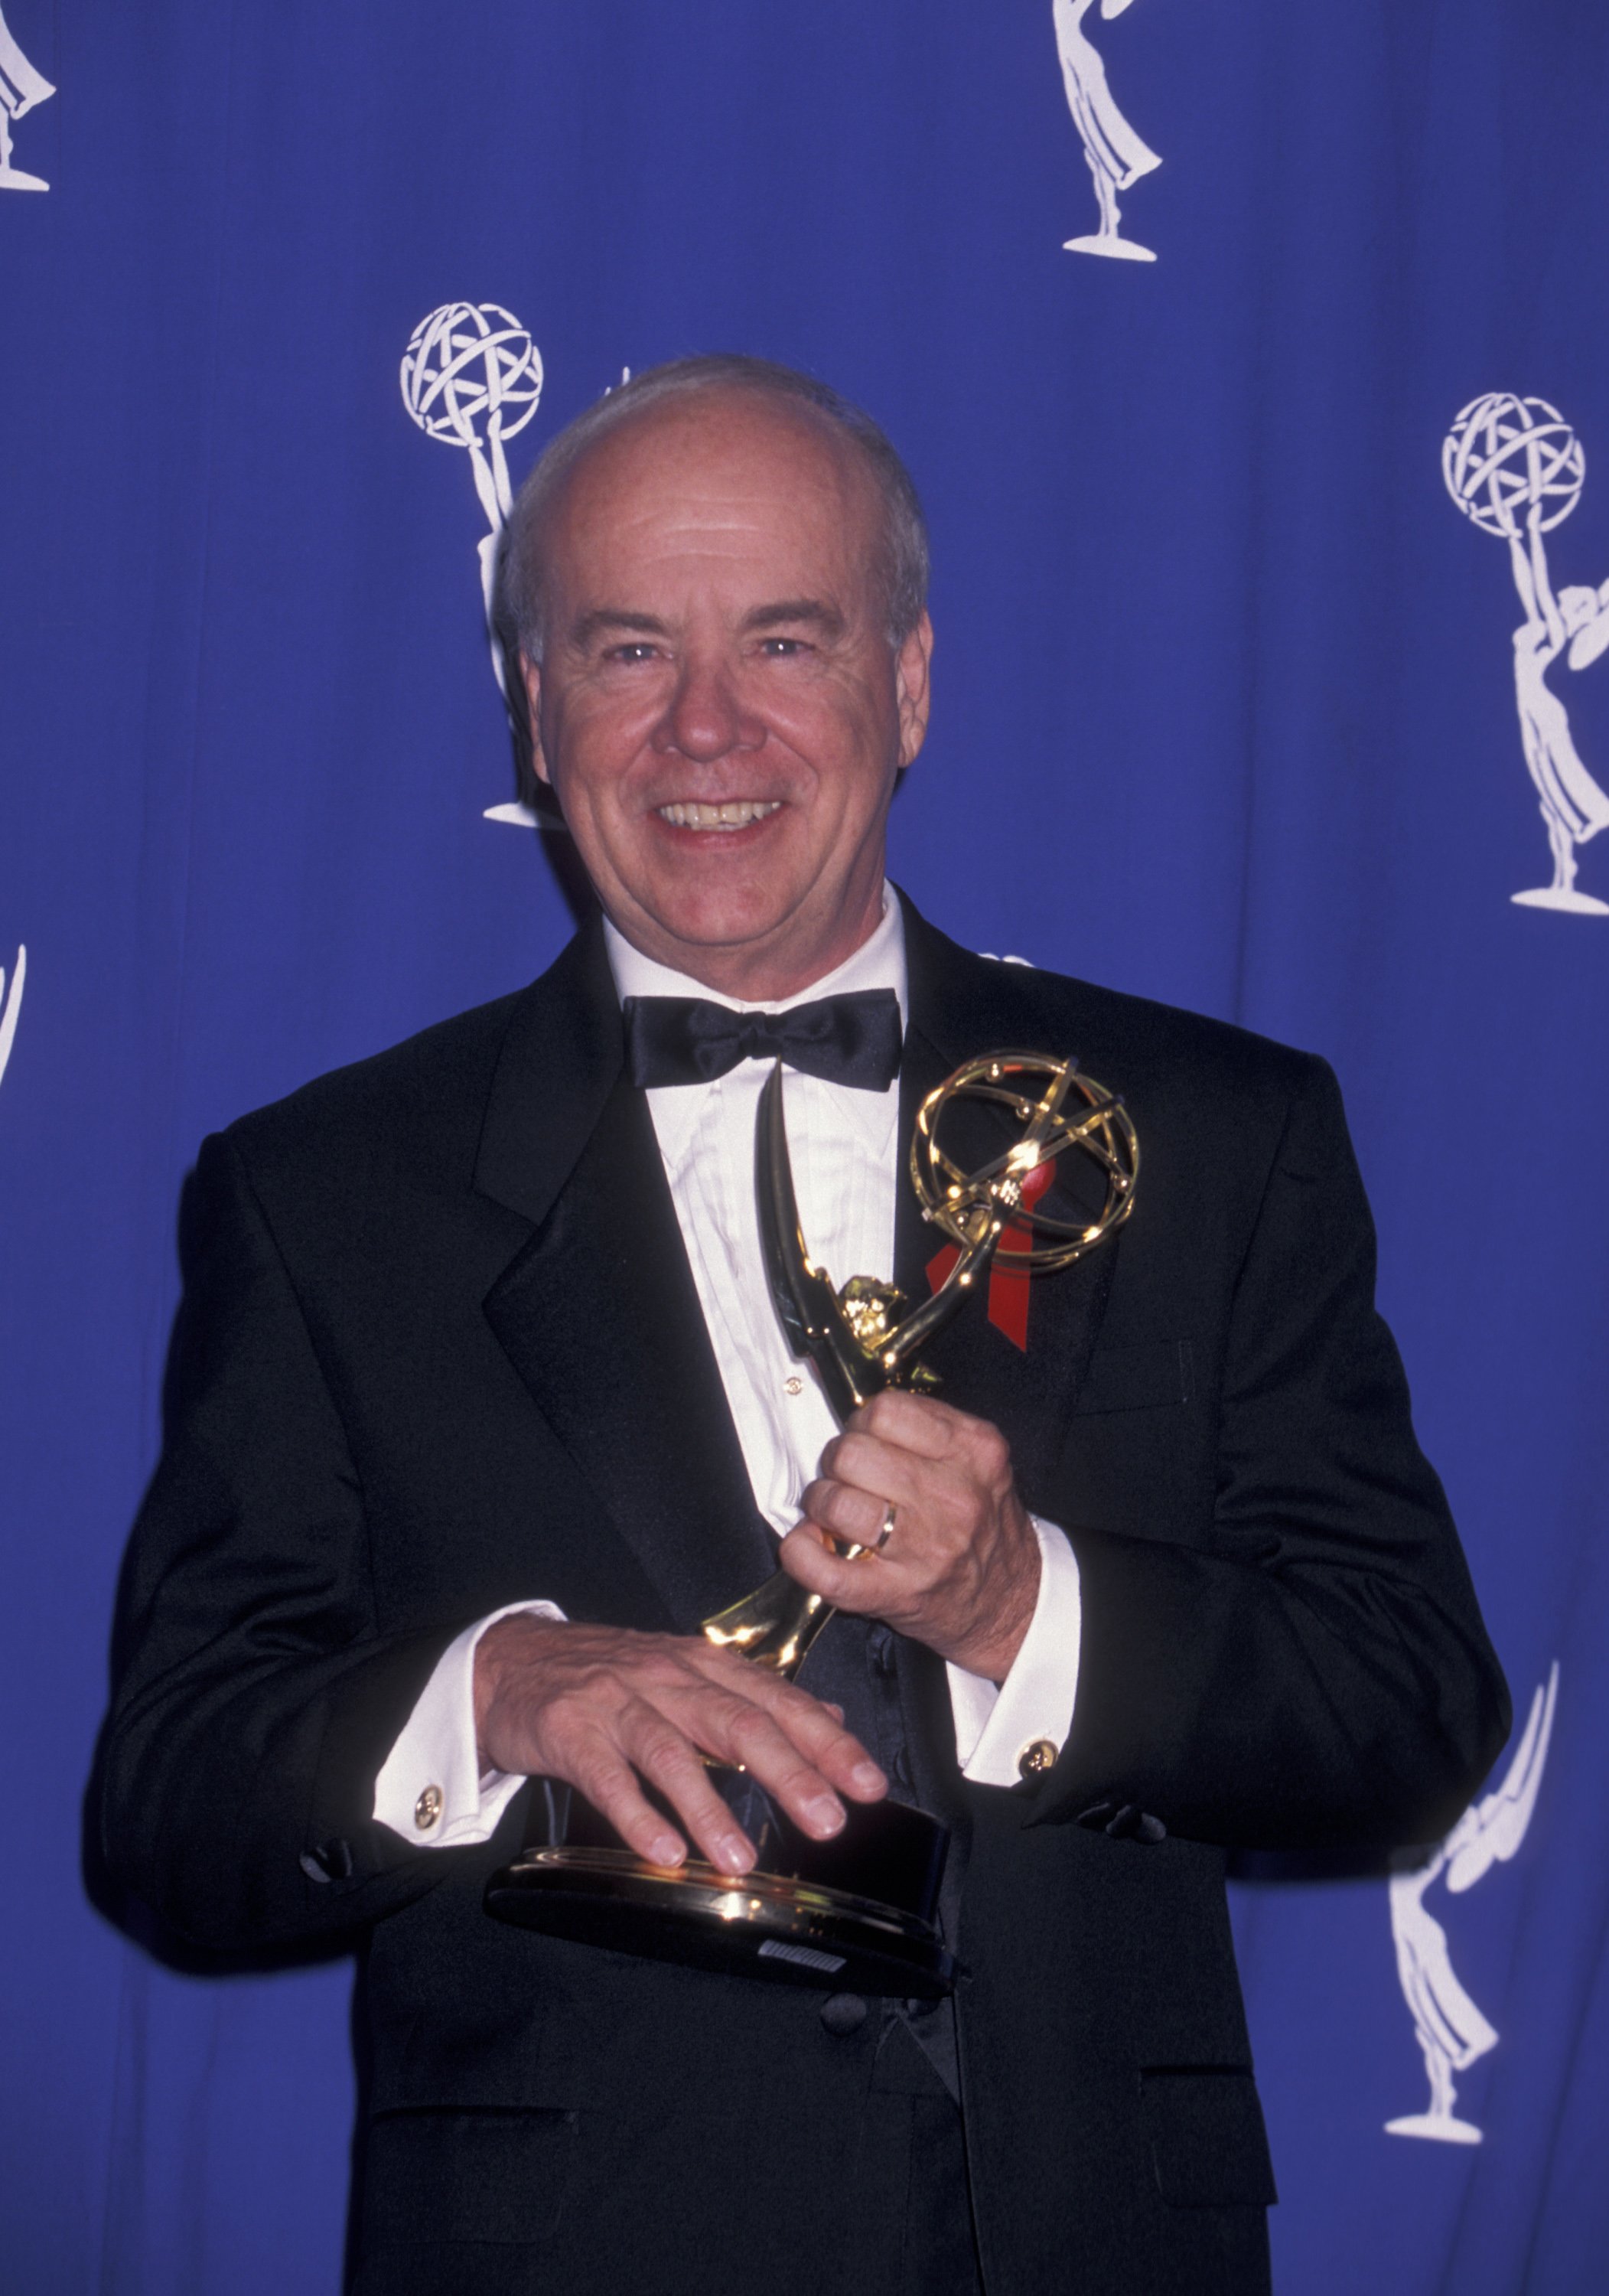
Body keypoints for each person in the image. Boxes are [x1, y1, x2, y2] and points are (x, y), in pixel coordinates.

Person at [100, 354, 1509, 2296]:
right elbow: (172, 1810)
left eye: (783, 637)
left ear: (907, 682)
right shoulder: (324, 1192)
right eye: (621, 650)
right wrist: (490, 1695)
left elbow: (1408, 1715)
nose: (703, 726)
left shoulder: (1210, 1136)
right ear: (532, 706)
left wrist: (1027, 1610)